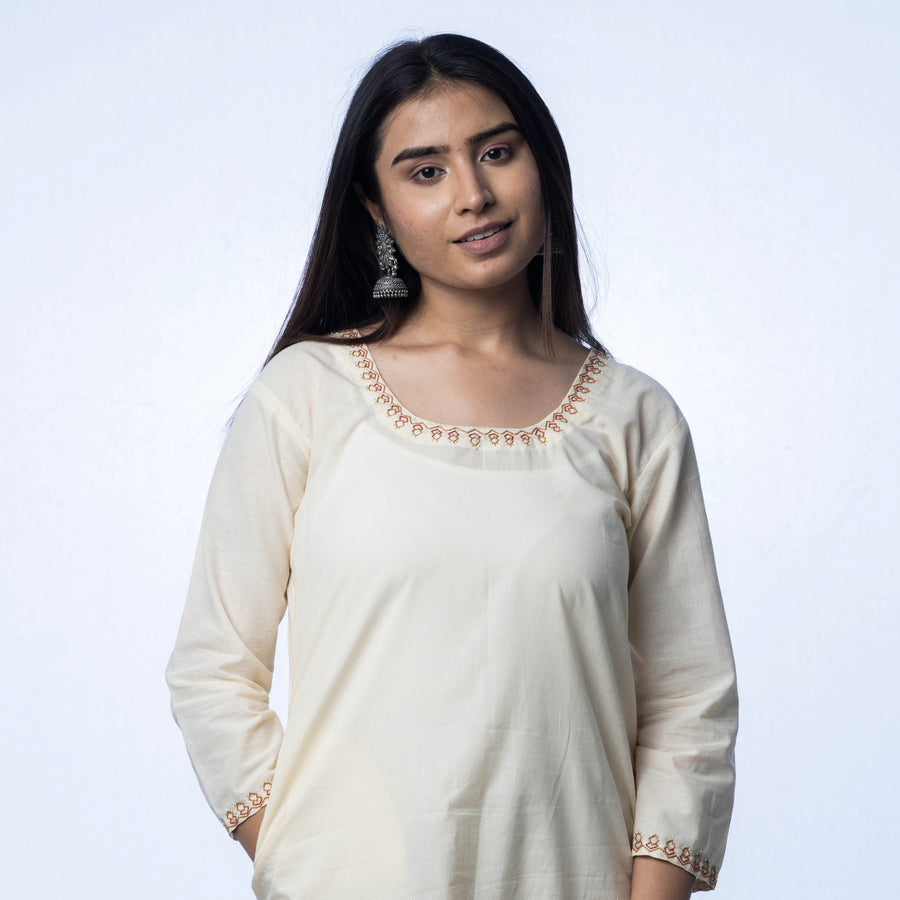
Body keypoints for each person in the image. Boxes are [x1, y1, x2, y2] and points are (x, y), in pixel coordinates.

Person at [166, 33, 738, 900]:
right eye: (426, 171)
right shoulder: (308, 395)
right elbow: (212, 669)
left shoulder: (634, 419)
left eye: (497, 153)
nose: (474, 195)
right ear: (376, 208)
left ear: (542, 165)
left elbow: (691, 702)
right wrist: (304, 855)